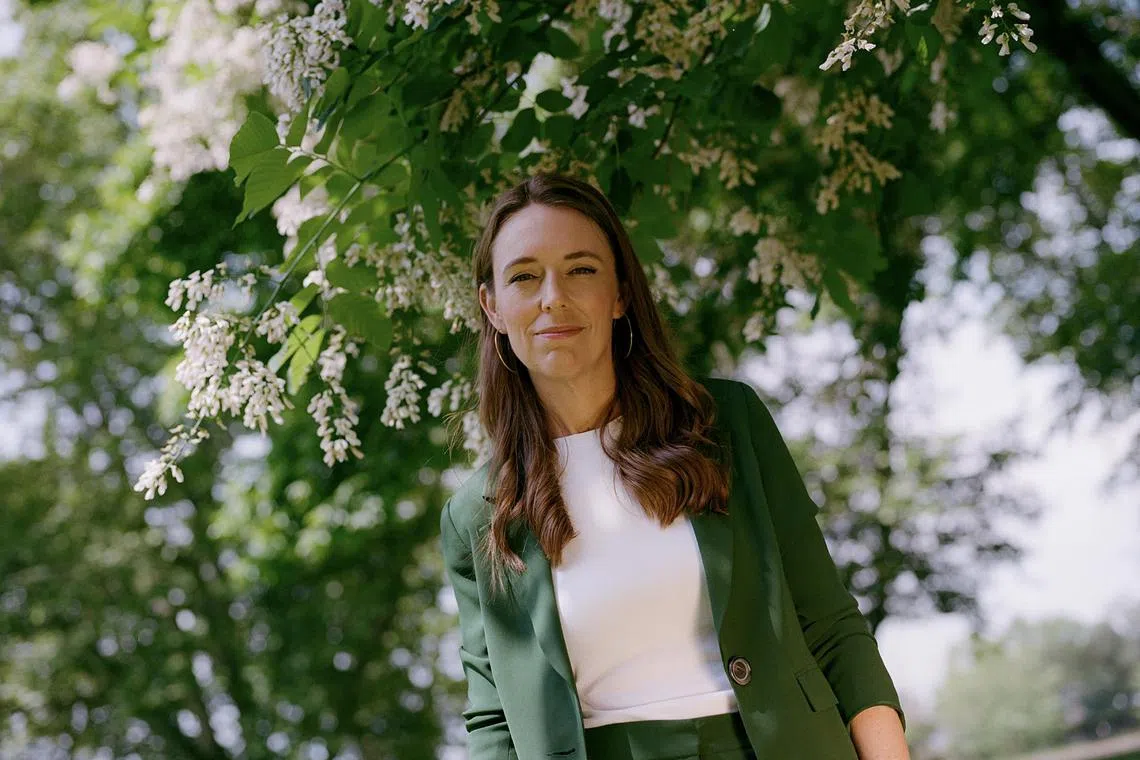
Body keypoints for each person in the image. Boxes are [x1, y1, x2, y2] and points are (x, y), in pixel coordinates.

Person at [439, 173, 910, 760]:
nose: (552, 295)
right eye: (524, 276)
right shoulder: (476, 516)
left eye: (581, 269)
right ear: (494, 307)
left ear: (620, 294)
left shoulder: (727, 426)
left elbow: (830, 625)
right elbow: (494, 724)